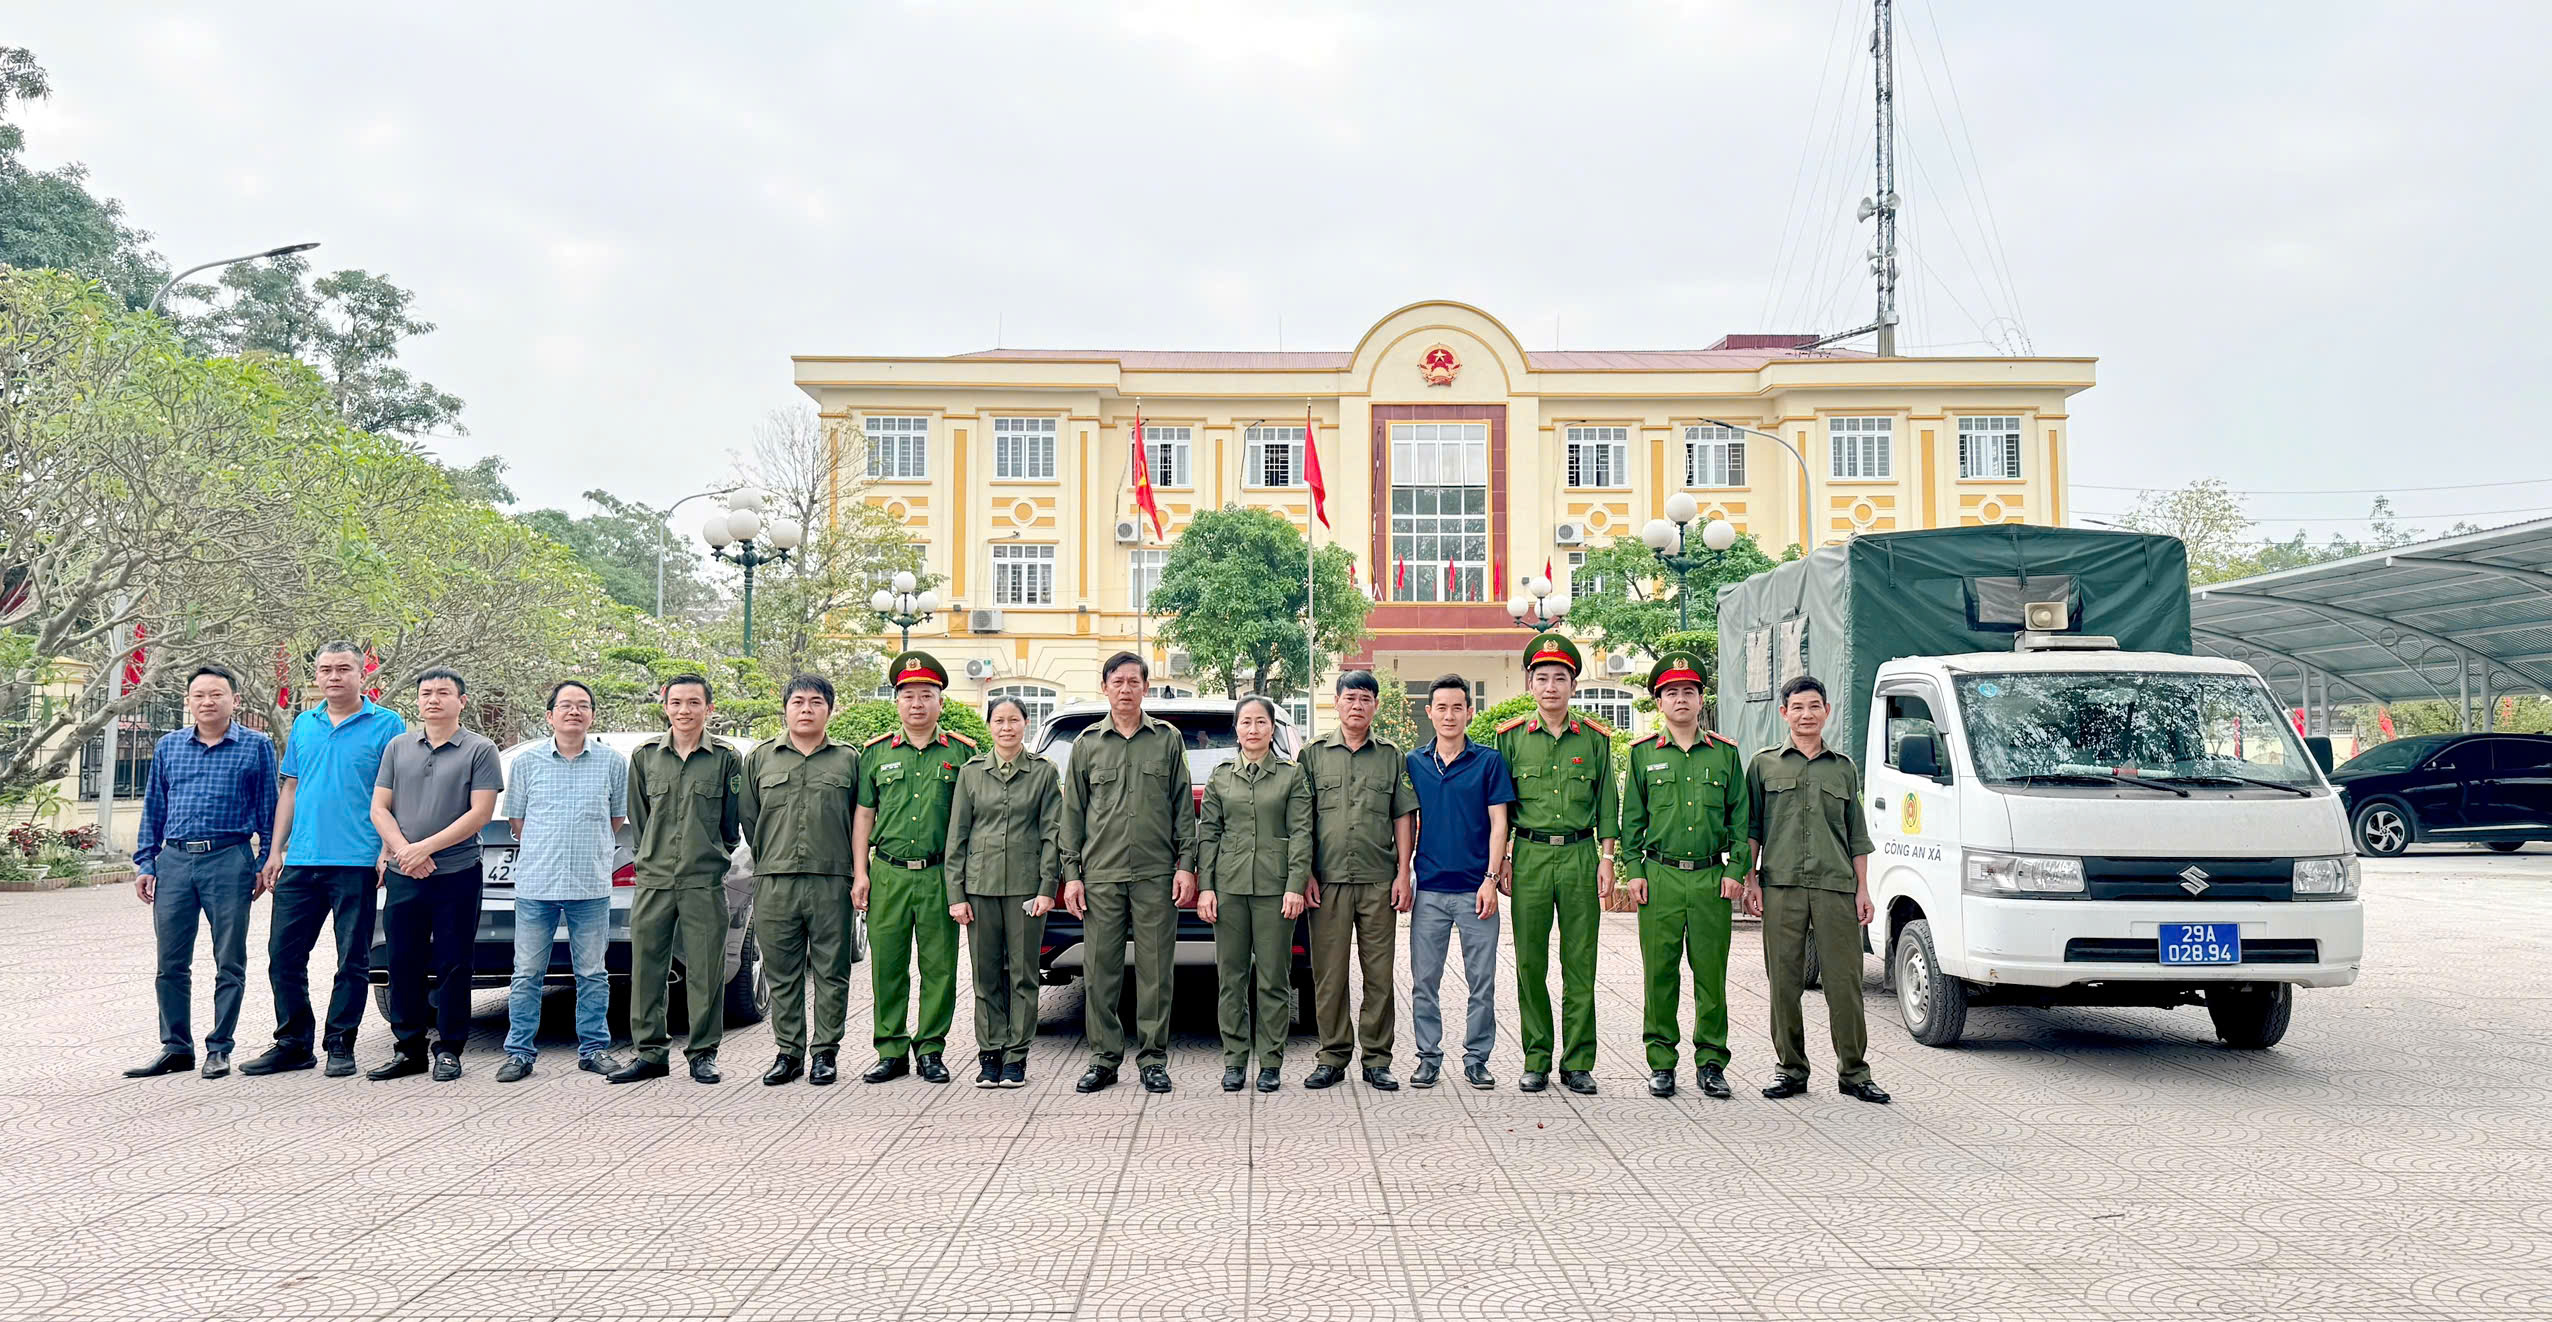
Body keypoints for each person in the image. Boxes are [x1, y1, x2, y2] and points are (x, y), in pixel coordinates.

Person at [245, 642, 405, 1079]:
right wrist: (275, 849)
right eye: (324, 670)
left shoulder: (387, 724)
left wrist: (385, 848)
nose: (333, 677)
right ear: (316, 676)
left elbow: (395, 794)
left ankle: (340, 1042)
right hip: (301, 859)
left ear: (361, 675)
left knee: (351, 959)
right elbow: (291, 789)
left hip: (356, 861)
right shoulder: (304, 723)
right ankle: (293, 1043)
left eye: (343, 669)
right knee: (284, 955)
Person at [125, 665, 279, 1081]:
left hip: (228, 859)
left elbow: (269, 808)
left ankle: (220, 1047)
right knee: (170, 962)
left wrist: (267, 859)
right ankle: (175, 1047)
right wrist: (146, 861)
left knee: (229, 959)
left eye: (216, 694)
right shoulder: (169, 746)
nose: (207, 702)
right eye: (199, 695)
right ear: (188, 701)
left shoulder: (257, 746)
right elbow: (153, 806)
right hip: (173, 862)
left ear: (235, 700)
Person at [1743, 675, 1890, 1104]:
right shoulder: (1764, 765)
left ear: (1826, 711)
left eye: (1814, 706)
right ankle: (1790, 1069)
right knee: (1783, 984)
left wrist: (1864, 890)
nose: (1806, 715)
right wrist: (1751, 879)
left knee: (1844, 982)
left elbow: (1856, 835)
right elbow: (1752, 828)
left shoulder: (1842, 767)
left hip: (1835, 888)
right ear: (1784, 713)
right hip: (1782, 887)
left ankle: (1854, 1073)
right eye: (1798, 707)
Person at [1058, 651, 1195, 1094]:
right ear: (1105, 687)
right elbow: (1072, 814)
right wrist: (1073, 874)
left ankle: (1153, 1058)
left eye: (1133, 681)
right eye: (1117, 681)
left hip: (1156, 873)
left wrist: (1186, 866)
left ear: (1145, 688)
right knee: (1101, 970)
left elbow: (1181, 810)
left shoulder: (1167, 740)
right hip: (1101, 874)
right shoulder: (1086, 744)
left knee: (1156, 971)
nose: (1125, 689)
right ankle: (1104, 1058)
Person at [1617, 652, 1750, 1100]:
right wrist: (1633, 871)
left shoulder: (1726, 755)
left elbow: (1741, 820)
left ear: (1700, 699)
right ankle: (1661, 1061)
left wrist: (1736, 870)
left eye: (1688, 692)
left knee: (1710, 974)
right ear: (1659, 701)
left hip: (1711, 878)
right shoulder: (1642, 756)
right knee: (1660, 973)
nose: (1680, 700)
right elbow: (1630, 822)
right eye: (1671, 692)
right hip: (1661, 876)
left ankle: (1712, 1062)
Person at [1491, 632, 1617, 1095]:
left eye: (1559, 678)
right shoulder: (1510, 740)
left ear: (1574, 686)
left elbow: (1607, 802)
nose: (1550, 687)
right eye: (1541, 678)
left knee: (1580, 961)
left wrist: (1607, 858)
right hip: (1530, 856)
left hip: (1582, 855)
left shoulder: (1596, 740)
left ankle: (1579, 1061)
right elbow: (1500, 807)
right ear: (1529, 685)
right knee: (1530, 961)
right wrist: (1503, 857)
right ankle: (1536, 1057)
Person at [367, 667, 504, 1082]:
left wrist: (424, 848)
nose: (433, 700)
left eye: (443, 693)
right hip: (405, 873)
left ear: (461, 701)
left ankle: (449, 1048)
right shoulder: (398, 747)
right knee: (402, 960)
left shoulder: (480, 750)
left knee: (453, 962)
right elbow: (379, 807)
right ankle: (408, 1049)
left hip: (456, 872)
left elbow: (480, 813)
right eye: (426, 693)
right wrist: (406, 852)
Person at [611, 674, 746, 1085]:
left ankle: (703, 1052)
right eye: (676, 703)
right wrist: (654, 858)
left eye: (693, 703)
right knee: (648, 966)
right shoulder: (645, 756)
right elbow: (640, 817)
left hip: (703, 879)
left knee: (706, 969)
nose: (684, 710)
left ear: (709, 708)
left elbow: (730, 825)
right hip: (653, 878)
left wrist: (710, 854)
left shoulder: (725, 758)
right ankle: (650, 1052)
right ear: (665, 707)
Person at [493, 681, 629, 1082]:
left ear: (591, 715)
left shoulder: (612, 763)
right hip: (537, 886)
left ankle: (594, 1049)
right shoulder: (527, 763)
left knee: (592, 973)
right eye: (565, 706)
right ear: (549, 715)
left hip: (590, 886)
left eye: (583, 705)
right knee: (527, 973)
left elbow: (615, 820)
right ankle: (519, 1052)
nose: (574, 712)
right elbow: (518, 821)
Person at [852, 651, 974, 1085]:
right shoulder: (876, 753)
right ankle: (890, 1049)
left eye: (926, 695)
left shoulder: (962, 754)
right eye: (908, 695)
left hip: (941, 874)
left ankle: (931, 1049)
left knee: (940, 966)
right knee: (887, 963)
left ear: (941, 701)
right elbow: (864, 815)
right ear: (897, 702)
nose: (917, 703)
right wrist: (860, 873)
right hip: (888, 872)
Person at [1296, 670, 1418, 1091]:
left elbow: (1403, 815)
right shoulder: (1312, 755)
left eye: (1365, 699)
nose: (1356, 706)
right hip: (1326, 881)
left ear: (1375, 706)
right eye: (1350, 698)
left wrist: (1404, 872)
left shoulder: (1390, 756)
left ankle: (1377, 1059)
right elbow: (1301, 819)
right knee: (1329, 974)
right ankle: (1332, 1055)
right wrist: (1305, 873)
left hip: (1378, 880)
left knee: (1379, 974)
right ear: (1336, 702)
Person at [740, 673, 861, 1086]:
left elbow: (860, 819)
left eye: (815, 702)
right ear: (785, 708)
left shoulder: (848, 759)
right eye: (797, 702)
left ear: (830, 709)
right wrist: (771, 858)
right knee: (782, 970)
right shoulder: (761, 758)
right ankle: (788, 1052)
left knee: (832, 970)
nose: (806, 709)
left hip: (832, 879)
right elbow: (750, 817)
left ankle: (825, 1053)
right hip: (775, 880)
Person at [944, 694, 1061, 1089]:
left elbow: (1052, 834)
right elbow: (957, 836)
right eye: (999, 720)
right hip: (979, 888)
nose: (1007, 727)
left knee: (1024, 976)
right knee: (986, 975)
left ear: (1026, 724)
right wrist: (955, 895)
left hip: (1027, 888)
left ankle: (1016, 1057)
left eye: (1014, 720)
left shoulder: (1043, 772)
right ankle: (989, 1053)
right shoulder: (972, 772)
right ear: (989, 726)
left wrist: (1048, 888)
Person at [1403, 674, 1515, 1091]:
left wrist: (1490, 878)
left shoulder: (1488, 762)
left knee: (1481, 981)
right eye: (1441, 708)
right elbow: (1407, 822)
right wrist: (1406, 875)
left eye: (1458, 708)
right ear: (1429, 712)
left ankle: (1477, 1058)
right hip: (1429, 890)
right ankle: (1428, 1057)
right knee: (1423, 982)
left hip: (1475, 890)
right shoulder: (1414, 762)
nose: (1450, 715)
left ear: (1470, 712)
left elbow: (1498, 823)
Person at [1196, 695, 1312, 1093]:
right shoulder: (1221, 775)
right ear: (1237, 728)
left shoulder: (1291, 775)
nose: (1253, 730)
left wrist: (1295, 886)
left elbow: (1301, 834)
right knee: (1231, 977)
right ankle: (1233, 1061)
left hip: (1274, 889)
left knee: (1273, 979)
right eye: (1246, 722)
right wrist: (1205, 887)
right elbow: (1208, 834)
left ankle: (1271, 1062)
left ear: (1271, 728)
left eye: (1261, 722)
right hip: (1229, 889)